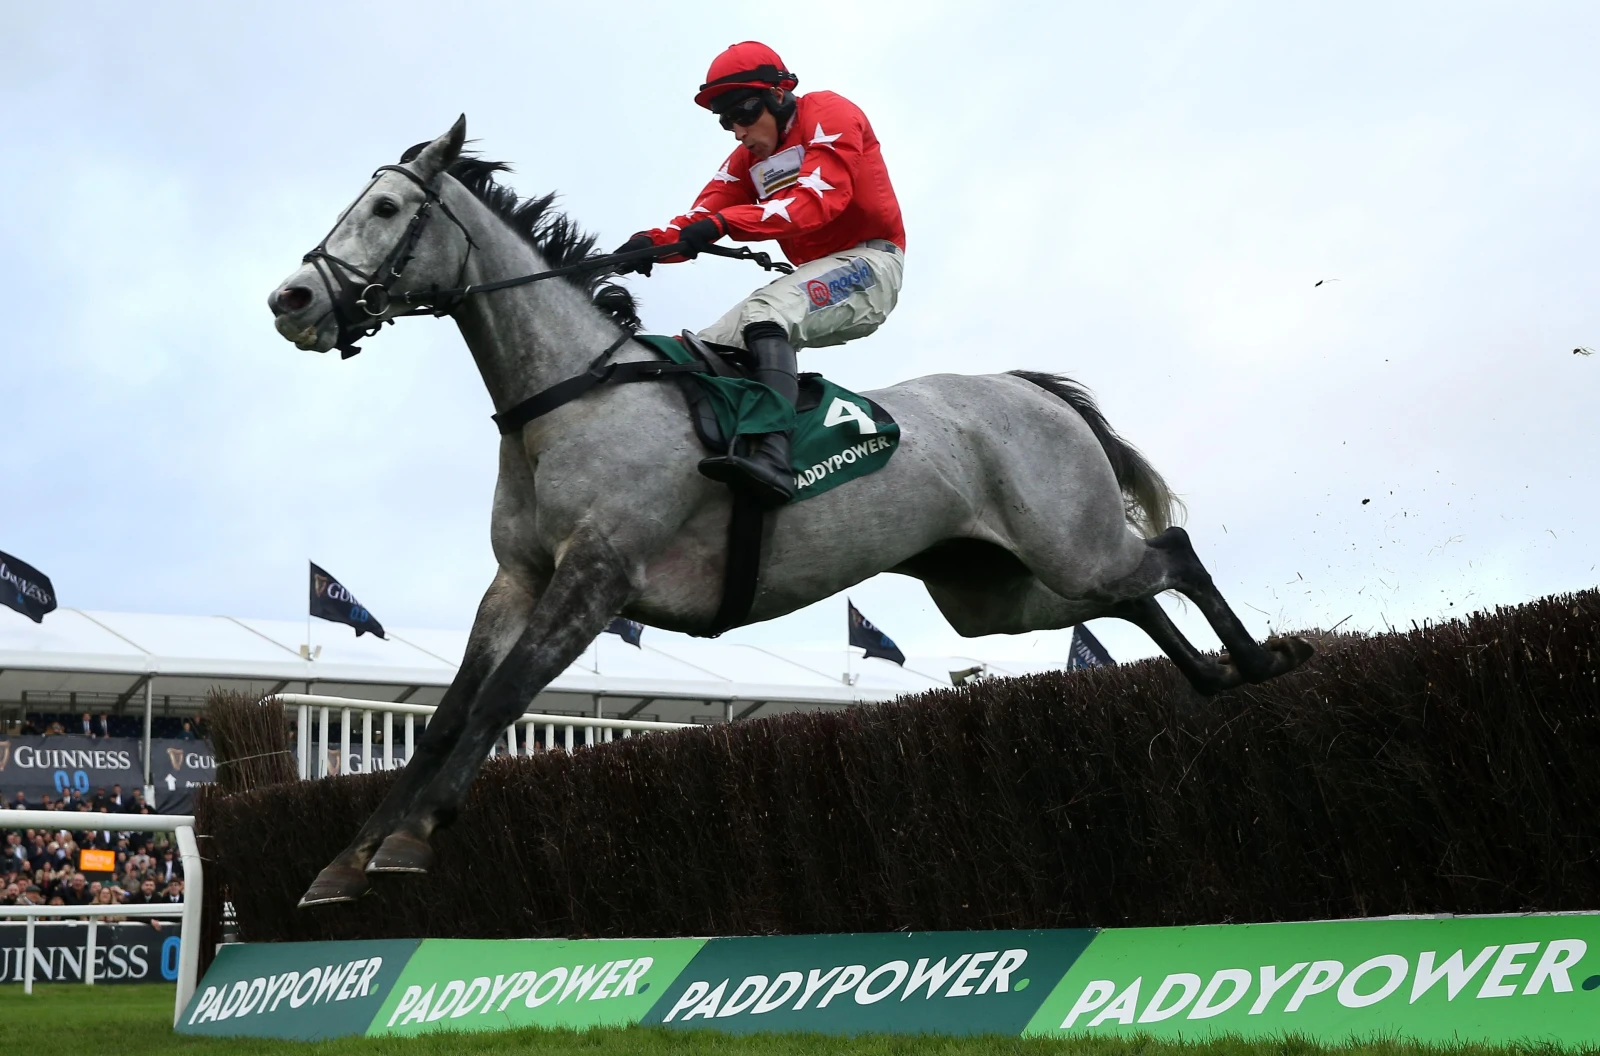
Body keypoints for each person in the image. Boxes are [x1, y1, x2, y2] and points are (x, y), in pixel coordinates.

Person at [614, 41, 906, 506]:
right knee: (704, 351)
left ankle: (773, 456)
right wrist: (651, 243)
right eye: (726, 121)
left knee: (763, 313)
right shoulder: (746, 162)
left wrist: (726, 224)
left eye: (742, 116)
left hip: (872, 264)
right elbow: (703, 213)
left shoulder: (830, 113)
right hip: (814, 273)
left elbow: (817, 202)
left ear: (776, 95)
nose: (736, 132)